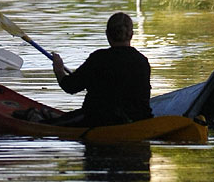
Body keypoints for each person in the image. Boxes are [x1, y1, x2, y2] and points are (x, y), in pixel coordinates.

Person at [22, 12, 152, 127]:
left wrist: (59, 70)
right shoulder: (142, 61)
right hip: (139, 120)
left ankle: (41, 118)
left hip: (99, 121)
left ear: (107, 34)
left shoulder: (99, 58)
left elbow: (70, 87)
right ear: (131, 34)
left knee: (39, 122)